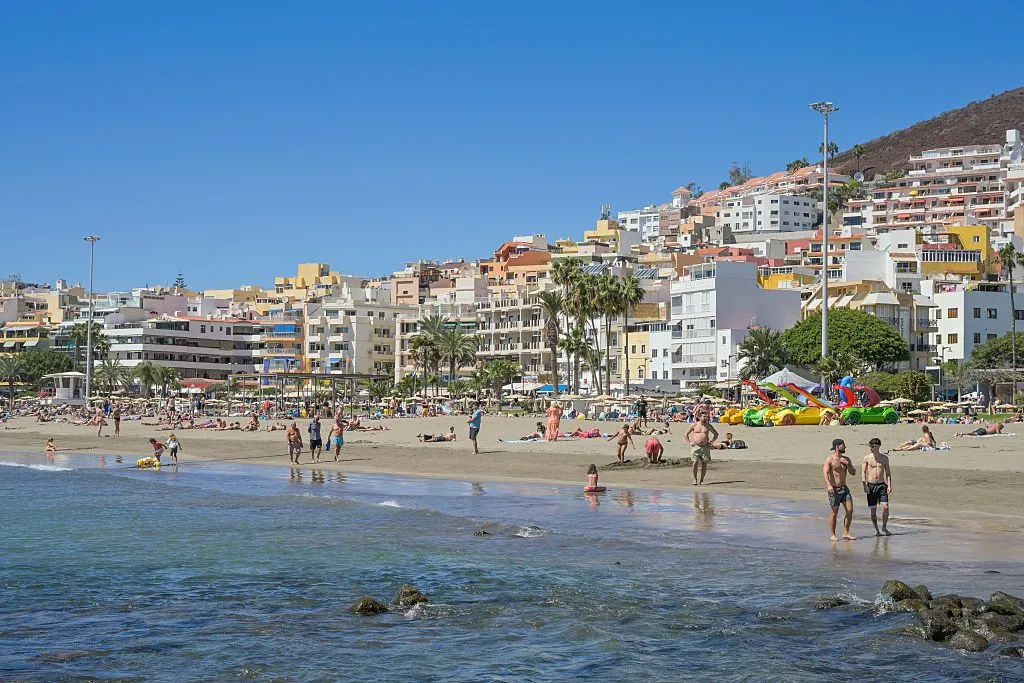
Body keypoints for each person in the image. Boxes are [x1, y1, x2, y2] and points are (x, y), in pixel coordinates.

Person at [823, 438, 857, 542]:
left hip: (844, 489)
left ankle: (846, 532)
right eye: (843, 445)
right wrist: (829, 485)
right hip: (834, 489)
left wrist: (848, 464)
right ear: (837, 447)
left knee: (850, 510)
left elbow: (853, 472)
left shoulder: (846, 459)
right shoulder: (830, 459)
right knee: (834, 513)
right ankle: (833, 534)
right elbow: (826, 473)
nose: (845, 447)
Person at [862, 437, 893, 537]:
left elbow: (888, 472)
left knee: (885, 507)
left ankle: (884, 527)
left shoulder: (884, 458)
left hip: (881, 485)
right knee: (873, 510)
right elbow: (863, 472)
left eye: (874, 446)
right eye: (870, 446)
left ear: (878, 446)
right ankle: (876, 530)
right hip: (871, 485)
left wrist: (889, 485)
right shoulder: (867, 458)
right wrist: (864, 485)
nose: (872, 448)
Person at [685, 414, 718, 486]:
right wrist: (690, 442)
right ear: (699, 417)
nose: (706, 418)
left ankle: (702, 480)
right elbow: (686, 434)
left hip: (705, 447)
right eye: (704, 416)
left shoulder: (708, 426)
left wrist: (711, 442)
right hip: (696, 446)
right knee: (695, 462)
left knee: (704, 463)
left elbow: (716, 434)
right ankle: (695, 479)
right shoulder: (694, 425)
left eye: (707, 416)